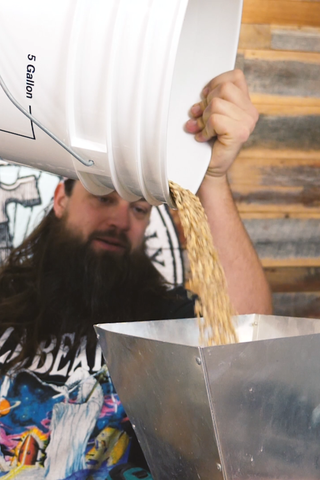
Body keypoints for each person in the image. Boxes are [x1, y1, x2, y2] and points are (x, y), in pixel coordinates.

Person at [0, 69, 272, 478]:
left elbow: (246, 338)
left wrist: (212, 177)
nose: (120, 219)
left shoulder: (159, 317)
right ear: (60, 199)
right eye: (103, 198)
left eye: (139, 209)